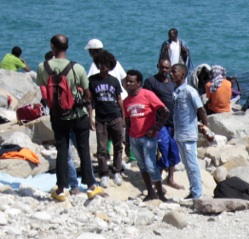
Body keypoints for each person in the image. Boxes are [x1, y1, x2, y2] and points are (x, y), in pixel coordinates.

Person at [36, 34, 103, 202]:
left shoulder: (42, 67)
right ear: (68, 47)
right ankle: (91, 187)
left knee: (62, 151)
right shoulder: (77, 68)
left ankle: (60, 189)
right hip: (78, 115)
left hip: (58, 116)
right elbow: (88, 94)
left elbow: (44, 90)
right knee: (83, 151)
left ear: (52, 46)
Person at [123, 70, 170, 201]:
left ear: (138, 83)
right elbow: (128, 122)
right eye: (127, 81)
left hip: (148, 138)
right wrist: (127, 143)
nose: (128, 84)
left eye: (131, 82)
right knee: (142, 165)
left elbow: (165, 112)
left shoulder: (147, 95)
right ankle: (150, 192)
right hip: (134, 138)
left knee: (151, 165)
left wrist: (155, 128)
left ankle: (160, 193)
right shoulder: (126, 101)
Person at [170, 63, 213, 201]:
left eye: (174, 72)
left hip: (188, 134)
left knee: (192, 164)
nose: (171, 74)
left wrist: (205, 127)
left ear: (182, 75)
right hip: (179, 134)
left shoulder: (189, 91)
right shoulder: (176, 91)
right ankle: (193, 190)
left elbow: (201, 109)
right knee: (187, 164)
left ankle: (197, 193)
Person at [143, 57, 181, 188]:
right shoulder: (151, 82)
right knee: (162, 151)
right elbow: (145, 101)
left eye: (167, 68)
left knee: (173, 151)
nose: (164, 70)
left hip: (173, 123)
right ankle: (157, 181)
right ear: (157, 66)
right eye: (162, 67)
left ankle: (170, 179)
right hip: (159, 124)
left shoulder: (172, 83)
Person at [89, 51, 125, 186]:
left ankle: (116, 171)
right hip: (100, 118)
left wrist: (123, 116)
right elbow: (90, 101)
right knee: (102, 149)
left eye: (107, 65)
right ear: (97, 65)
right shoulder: (92, 80)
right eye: (101, 64)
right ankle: (104, 173)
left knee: (118, 145)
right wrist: (90, 117)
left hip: (115, 116)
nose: (104, 67)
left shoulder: (114, 81)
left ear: (110, 66)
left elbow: (119, 99)